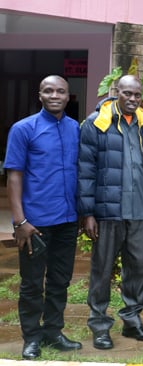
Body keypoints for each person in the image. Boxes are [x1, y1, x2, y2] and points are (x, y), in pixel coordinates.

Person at [79, 75, 143, 349]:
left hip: (140, 211)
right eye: (127, 93)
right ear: (117, 92)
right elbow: (85, 170)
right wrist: (88, 213)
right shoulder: (97, 124)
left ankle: (132, 320)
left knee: (138, 269)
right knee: (102, 270)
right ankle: (99, 325)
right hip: (108, 213)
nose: (132, 99)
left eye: (137, 95)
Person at [5, 75, 82, 359]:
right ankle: (32, 338)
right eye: (48, 91)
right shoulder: (23, 129)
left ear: (67, 96)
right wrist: (20, 221)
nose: (54, 95)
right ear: (40, 95)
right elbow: (14, 176)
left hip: (67, 221)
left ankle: (53, 333)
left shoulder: (75, 128)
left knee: (60, 281)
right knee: (32, 284)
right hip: (34, 225)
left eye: (60, 91)